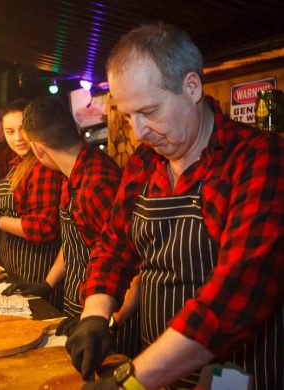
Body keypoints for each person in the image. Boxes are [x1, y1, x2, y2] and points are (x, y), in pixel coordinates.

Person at [65, 23, 284, 390]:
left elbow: (236, 294)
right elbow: (114, 248)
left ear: (192, 87)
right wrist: (95, 314)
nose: (138, 132)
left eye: (148, 111)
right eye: (128, 115)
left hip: (237, 377)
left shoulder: (259, 159)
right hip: (156, 372)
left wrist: (130, 381)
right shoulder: (144, 162)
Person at [8, 96, 141, 359]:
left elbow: (131, 264)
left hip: (110, 317)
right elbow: (74, 241)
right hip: (82, 307)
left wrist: (106, 320)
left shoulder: (97, 183)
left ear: (38, 149)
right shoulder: (72, 175)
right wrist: (47, 284)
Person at [0, 99, 63, 310]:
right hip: (16, 267)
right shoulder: (18, 164)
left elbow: (44, 227)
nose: (17, 138)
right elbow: (18, 212)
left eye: (23, 130)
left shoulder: (43, 167)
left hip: (38, 272)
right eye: (9, 131)